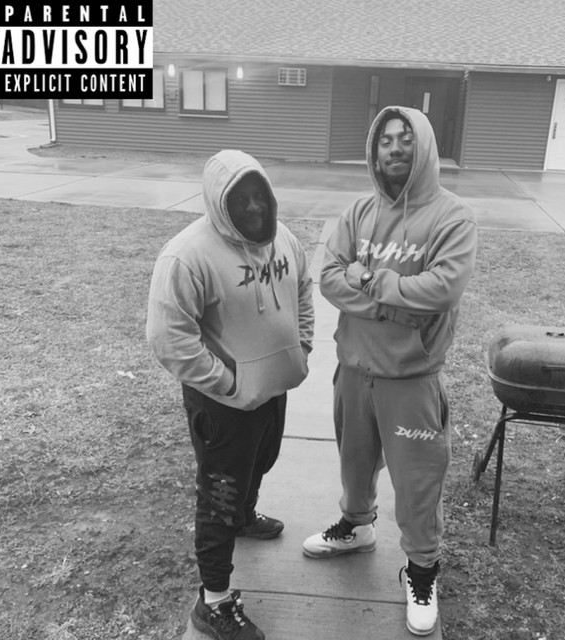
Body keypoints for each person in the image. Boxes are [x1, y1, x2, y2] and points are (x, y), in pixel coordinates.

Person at [302, 106, 477, 636]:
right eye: (385, 140)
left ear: (423, 146)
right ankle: (357, 527)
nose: (395, 148)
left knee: (418, 482)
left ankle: (421, 570)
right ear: (374, 151)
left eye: (405, 139)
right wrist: (397, 302)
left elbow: (441, 289)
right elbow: (329, 277)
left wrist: (370, 282)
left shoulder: (452, 217)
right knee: (354, 463)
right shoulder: (358, 211)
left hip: (411, 377)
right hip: (355, 368)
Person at [147, 150, 314, 640]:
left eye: (259, 195)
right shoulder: (187, 256)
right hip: (222, 407)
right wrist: (229, 384)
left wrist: (301, 346)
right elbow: (169, 339)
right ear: (219, 203)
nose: (254, 207)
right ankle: (214, 601)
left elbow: (303, 289)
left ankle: (244, 516)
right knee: (219, 497)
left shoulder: (284, 239)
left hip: (272, 391)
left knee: (261, 461)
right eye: (240, 199)